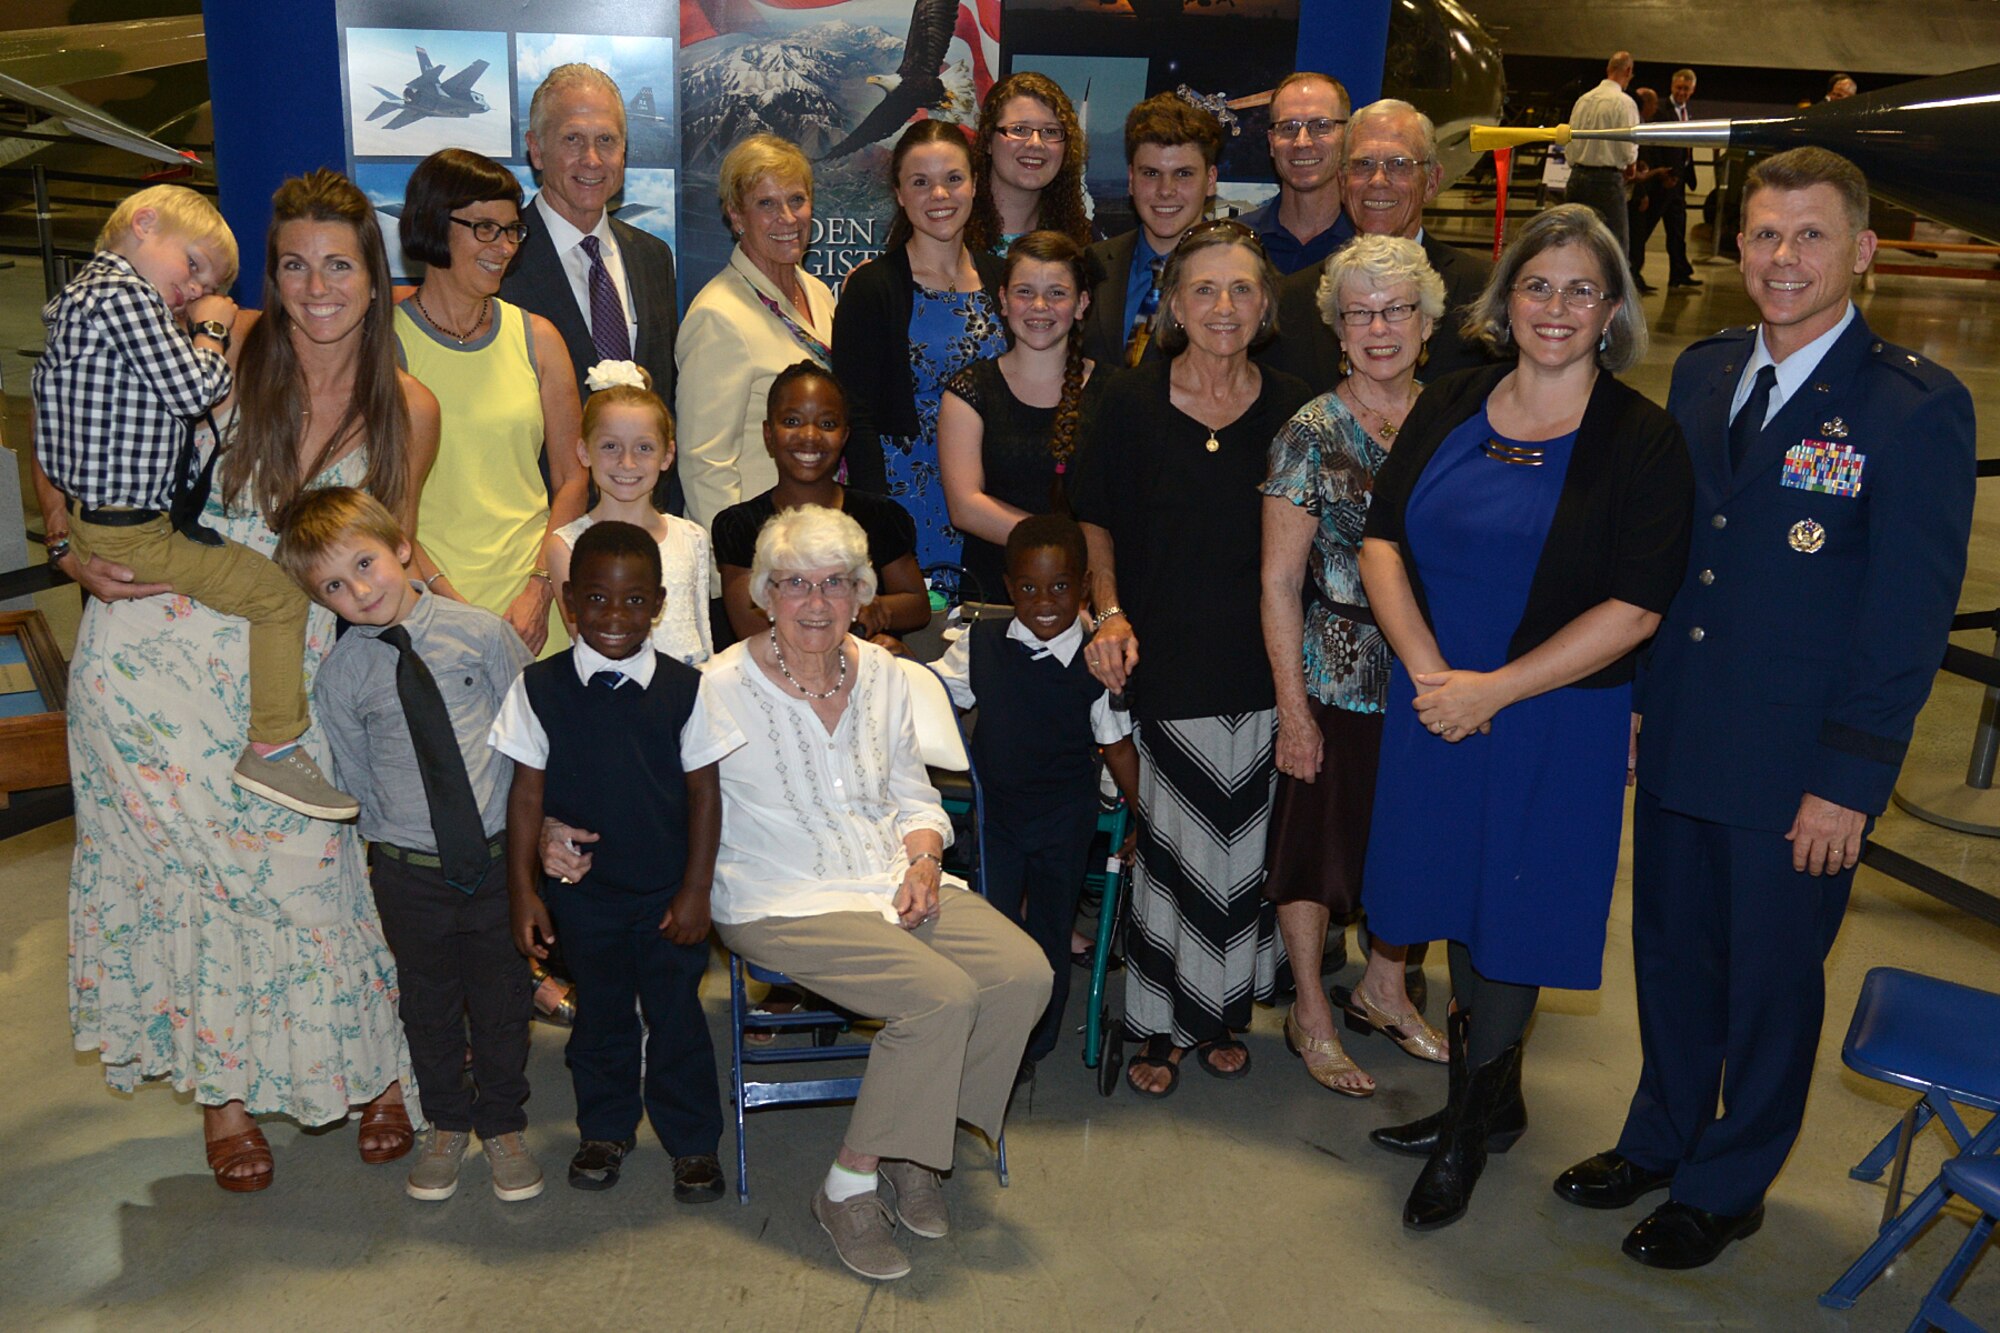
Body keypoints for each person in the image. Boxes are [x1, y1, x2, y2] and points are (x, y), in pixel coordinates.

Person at [1556, 147, 1976, 1271]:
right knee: (1672, 957)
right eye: (1762, 235)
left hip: (1797, 768)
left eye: (1808, 236)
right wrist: (1639, 699)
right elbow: (1671, 557)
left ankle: (1726, 1185)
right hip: (1688, 725)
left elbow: (1905, 618)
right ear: (1734, 246)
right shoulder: (1702, 372)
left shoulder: (1909, 408)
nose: (1781, 259)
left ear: (1862, 253)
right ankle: (1659, 1137)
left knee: (1771, 986)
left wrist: (1848, 777)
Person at [43, 168, 438, 1192]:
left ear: (372, 275)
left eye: (339, 265)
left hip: (293, 673)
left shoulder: (408, 407)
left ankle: (372, 1071)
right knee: (195, 887)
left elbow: (391, 554)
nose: (316, 287)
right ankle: (223, 1098)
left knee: (315, 882)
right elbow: (66, 408)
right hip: (157, 660)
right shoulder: (223, 343)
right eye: (294, 264)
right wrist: (67, 544)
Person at [545, 504, 1049, 1279]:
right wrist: (555, 827)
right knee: (940, 997)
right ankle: (847, 1184)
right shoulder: (714, 686)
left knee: (1024, 974)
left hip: (890, 882)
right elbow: (638, 783)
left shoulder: (887, 675)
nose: (816, 602)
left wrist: (921, 859)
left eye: (836, 584)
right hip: (776, 897)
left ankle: (915, 1149)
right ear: (764, 594)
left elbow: (915, 795)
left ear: (860, 593)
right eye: (795, 584)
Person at [1355, 204, 1692, 1230]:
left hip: (1552, 719)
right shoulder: (1450, 399)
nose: (1555, 308)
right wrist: (1431, 676)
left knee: (1516, 907)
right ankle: (1491, 1100)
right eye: (1537, 286)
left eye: (1580, 290)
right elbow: (1378, 542)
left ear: (1611, 311)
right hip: (1435, 704)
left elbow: (1635, 605)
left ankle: (1463, 1127)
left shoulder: (1641, 438)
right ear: (1504, 301)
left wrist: (1490, 691)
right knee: (1451, 895)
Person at [1070, 221, 1312, 1095]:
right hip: (1160, 656)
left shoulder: (1293, 403)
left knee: (1245, 847)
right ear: (1173, 304)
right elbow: (1093, 516)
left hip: (1263, 659)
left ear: (1265, 308)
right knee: (1171, 845)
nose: (1222, 306)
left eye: (1241, 289)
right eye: (1203, 289)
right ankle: (1157, 1028)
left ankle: (1221, 1013)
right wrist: (1109, 611)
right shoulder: (1130, 401)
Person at [33, 185, 355, 820]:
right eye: (193, 267)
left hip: (120, 528)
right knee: (277, 595)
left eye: (340, 265)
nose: (194, 289)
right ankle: (273, 745)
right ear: (144, 224)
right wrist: (213, 326)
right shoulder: (125, 300)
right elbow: (194, 390)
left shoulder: (85, 305)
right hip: (132, 551)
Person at [279, 487, 539, 1203]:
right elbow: (359, 778)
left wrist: (537, 838)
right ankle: (448, 1123)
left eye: (366, 563)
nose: (359, 590)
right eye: (333, 585)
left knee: (501, 996)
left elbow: (530, 732)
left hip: (494, 862)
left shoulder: (479, 633)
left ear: (400, 547)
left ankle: (504, 1122)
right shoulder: (340, 676)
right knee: (425, 1003)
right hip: (410, 873)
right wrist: (396, 843)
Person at [1260, 235, 1449, 1098]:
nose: (1379, 327)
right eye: (1360, 312)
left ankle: (1383, 982)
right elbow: (1276, 583)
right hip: (1336, 678)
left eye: (1397, 308)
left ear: (1427, 320)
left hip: (1432, 680)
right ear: (1336, 328)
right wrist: (1293, 712)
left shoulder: (1456, 419)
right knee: (1315, 854)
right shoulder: (1308, 431)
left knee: (1413, 844)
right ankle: (1311, 1008)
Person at [495, 521, 728, 1202]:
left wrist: (696, 890)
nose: (614, 618)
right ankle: (604, 1127)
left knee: (678, 1018)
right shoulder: (537, 688)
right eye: (596, 600)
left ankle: (692, 1141)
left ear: (657, 603)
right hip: (584, 898)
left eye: (633, 602)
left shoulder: (687, 689)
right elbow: (524, 797)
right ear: (568, 601)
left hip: (665, 897)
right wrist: (523, 892)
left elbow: (705, 794)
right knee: (599, 1018)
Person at [932, 514, 1142, 1080]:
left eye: (1060, 587)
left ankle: (1034, 1041)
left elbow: (1118, 746)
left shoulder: (1098, 662)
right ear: (1008, 588)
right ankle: (991, 1025)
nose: (1044, 601)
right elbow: (927, 694)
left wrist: (1142, 815)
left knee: (1051, 929)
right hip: (996, 815)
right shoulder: (979, 645)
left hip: (1064, 819)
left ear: (1084, 584)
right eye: (1028, 588)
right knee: (993, 927)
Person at [396, 148, 585, 656]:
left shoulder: (537, 338)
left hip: (535, 613)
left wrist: (540, 585)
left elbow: (573, 477)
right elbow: (382, 505)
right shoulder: (384, 345)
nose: (503, 247)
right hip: (432, 614)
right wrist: (445, 602)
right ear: (435, 224)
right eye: (485, 228)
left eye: (511, 231)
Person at [502, 62, 684, 515]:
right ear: (536, 149)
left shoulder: (653, 257)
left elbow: (664, 399)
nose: (592, 159)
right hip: (538, 529)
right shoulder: (500, 259)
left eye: (607, 140)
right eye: (572, 139)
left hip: (646, 521)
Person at [835, 119, 1006, 570]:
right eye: (921, 182)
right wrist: (879, 528)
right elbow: (857, 417)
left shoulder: (1004, 280)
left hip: (991, 499)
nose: (940, 196)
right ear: (898, 193)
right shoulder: (873, 287)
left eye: (953, 179)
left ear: (974, 185)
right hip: (905, 500)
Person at [676, 134, 837, 575]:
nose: (787, 218)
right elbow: (705, 465)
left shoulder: (819, 294)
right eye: (766, 204)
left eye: (797, 199)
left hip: (817, 548)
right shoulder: (717, 315)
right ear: (736, 216)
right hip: (758, 565)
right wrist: (743, 570)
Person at [1262, 99, 1495, 395]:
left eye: (1399, 164)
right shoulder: (1291, 301)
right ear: (1342, 180)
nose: (1378, 180)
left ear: (1432, 182)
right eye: (1363, 164)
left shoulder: (1483, 294)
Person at [712, 362, 932, 648]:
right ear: (768, 435)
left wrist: (877, 609)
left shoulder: (880, 516)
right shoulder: (740, 527)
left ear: (845, 436)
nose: (810, 436)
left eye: (827, 424)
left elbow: (918, 605)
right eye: (792, 421)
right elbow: (750, 623)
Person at [938, 230, 1105, 600]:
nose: (1040, 306)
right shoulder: (969, 391)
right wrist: (1064, 550)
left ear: (1082, 304)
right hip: (995, 594)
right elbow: (965, 507)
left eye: (1057, 293)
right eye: (1025, 291)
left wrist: (1081, 564)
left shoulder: (1116, 392)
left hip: (1088, 596)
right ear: (1003, 300)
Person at [547, 362, 712, 665]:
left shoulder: (692, 537)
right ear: (584, 452)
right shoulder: (566, 546)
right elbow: (590, 650)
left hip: (693, 700)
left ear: (668, 455)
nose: (627, 462)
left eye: (644, 448)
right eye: (610, 446)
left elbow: (704, 638)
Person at [1079, 92, 1224, 369]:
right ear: (1131, 180)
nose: (1166, 191)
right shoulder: (1089, 265)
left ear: (1211, 180)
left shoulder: (1242, 278)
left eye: (1183, 174)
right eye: (1151, 174)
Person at [1239, 71, 1354, 275]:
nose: (1302, 142)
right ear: (1271, 142)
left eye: (1320, 126)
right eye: (1288, 127)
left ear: (1346, 137)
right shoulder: (1239, 242)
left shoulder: (1367, 245)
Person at [966, 71, 1092, 256]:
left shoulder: (1082, 245)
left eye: (1050, 132)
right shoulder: (952, 236)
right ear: (987, 141)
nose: (1035, 143)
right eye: (1019, 129)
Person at [1628, 69, 1702, 293]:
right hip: (1661, 182)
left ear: (1692, 90)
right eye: (1679, 88)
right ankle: (1632, 274)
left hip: (1678, 183)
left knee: (1677, 229)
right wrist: (1662, 174)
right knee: (1644, 230)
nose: (1682, 92)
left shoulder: (1687, 112)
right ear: (1672, 87)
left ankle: (1679, 273)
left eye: (1686, 89)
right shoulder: (1659, 110)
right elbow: (1654, 145)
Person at [1564, 53, 1641, 260]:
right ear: (1627, 71)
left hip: (1576, 178)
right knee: (1614, 249)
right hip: (1606, 183)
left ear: (1608, 70)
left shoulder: (1583, 100)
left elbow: (1569, 140)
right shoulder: (1624, 103)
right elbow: (1628, 146)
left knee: (1573, 242)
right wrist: (1631, 165)